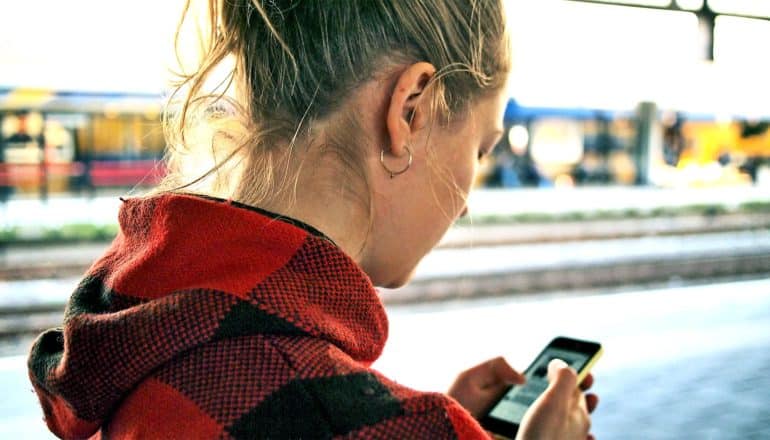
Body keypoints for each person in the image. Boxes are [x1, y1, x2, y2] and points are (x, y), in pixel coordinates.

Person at [27, 1, 598, 438]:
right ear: (411, 110)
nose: (469, 197)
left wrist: (391, 410)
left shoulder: (136, 331)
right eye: (480, 147)